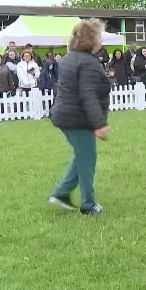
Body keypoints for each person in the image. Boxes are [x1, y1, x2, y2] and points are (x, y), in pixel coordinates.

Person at [48, 18, 112, 215]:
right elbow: (88, 94)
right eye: (99, 35)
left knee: (82, 156)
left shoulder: (69, 58)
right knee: (87, 160)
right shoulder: (89, 63)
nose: (101, 39)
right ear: (90, 39)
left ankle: (61, 194)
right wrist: (99, 124)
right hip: (77, 119)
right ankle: (88, 204)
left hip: (65, 115)